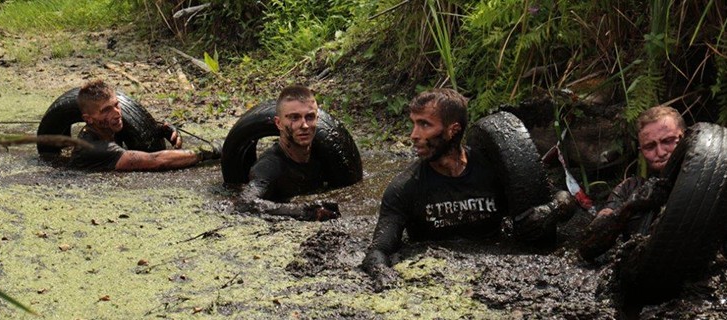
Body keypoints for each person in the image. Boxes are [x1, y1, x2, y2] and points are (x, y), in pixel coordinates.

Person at [361, 88, 575, 290]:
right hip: (437, 281)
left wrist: (552, 210)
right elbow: (379, 250)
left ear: (453, 130)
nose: (414, 135)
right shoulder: (405, 187)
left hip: (501, 274)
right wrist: (384, 276)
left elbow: (562, 197)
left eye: (425, 125)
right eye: (414, 124)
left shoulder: (495, 168)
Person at [578, 105, 686, 261]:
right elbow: (586, 248)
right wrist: (630, 206)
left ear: (683, 138)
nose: (661, 152)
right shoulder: (628, 188)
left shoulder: (711, 183)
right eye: (650, 146)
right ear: (641, 151)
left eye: (668, 141)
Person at [235, 85, 341, 222]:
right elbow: (245, 204)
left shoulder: (325, 155)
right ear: (278, 123)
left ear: (318, 119)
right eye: (294, 118)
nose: (304, 125)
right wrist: (305, 211)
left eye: (310, 117)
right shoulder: (269, 166)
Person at [70, 79, 221, 171]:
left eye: (116, 105)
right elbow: (155, 161)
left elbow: (141, 127)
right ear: (88, 119)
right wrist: (206, 151)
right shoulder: (92, 149)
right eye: (106, 110)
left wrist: (161, 130)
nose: (116, 113)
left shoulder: (109, 126)